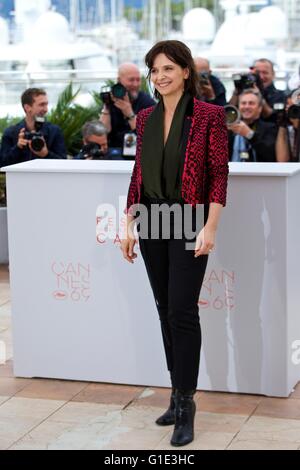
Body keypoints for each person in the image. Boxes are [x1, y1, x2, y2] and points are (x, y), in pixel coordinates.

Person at [121, 40, 228, 447]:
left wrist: (211, 226)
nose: (160, 76)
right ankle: (175, 392)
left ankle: (187, 405)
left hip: (188, 220)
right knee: (165, 309)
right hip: (151, 219)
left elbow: (219, 172)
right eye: (155, 70)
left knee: (183, 312)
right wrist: (129, 222)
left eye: (168, 68)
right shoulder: (145, 118)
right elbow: (138, 174)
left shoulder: (209, 116)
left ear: (186, 71)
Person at [0, 88, 66, 167]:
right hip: (20, 179)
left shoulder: (55, 131)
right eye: (42, 105)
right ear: (27, 107)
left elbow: (63, 164)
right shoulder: (11, 133)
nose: (46, 109)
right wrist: (17, 148)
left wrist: (46, 154)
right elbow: (2, 164)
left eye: (46, 104)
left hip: (46, 178)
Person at [99, 63, 155, 150]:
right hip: (114, 152)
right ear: (119, 80)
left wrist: (129, 113)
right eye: (131, 80)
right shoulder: (111, 101)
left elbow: (149, 135)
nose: (135, 84)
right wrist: (107, 107)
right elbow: (102, 132)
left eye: (138, 80)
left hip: (139, 152)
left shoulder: (146, 102)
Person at [228, 89, 277, 162]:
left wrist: (249, 134)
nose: (247, 107)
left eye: (251, 103)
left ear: (260, 108)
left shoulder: (270, 128)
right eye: (243, 103)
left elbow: (270, 155)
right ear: (238, 107)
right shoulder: (230, 129)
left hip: (260, 172)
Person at [276, 89, 300, 162]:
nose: (292, 111)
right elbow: (282, 161)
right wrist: (282, 124)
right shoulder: (288, 128)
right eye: (288, 106)